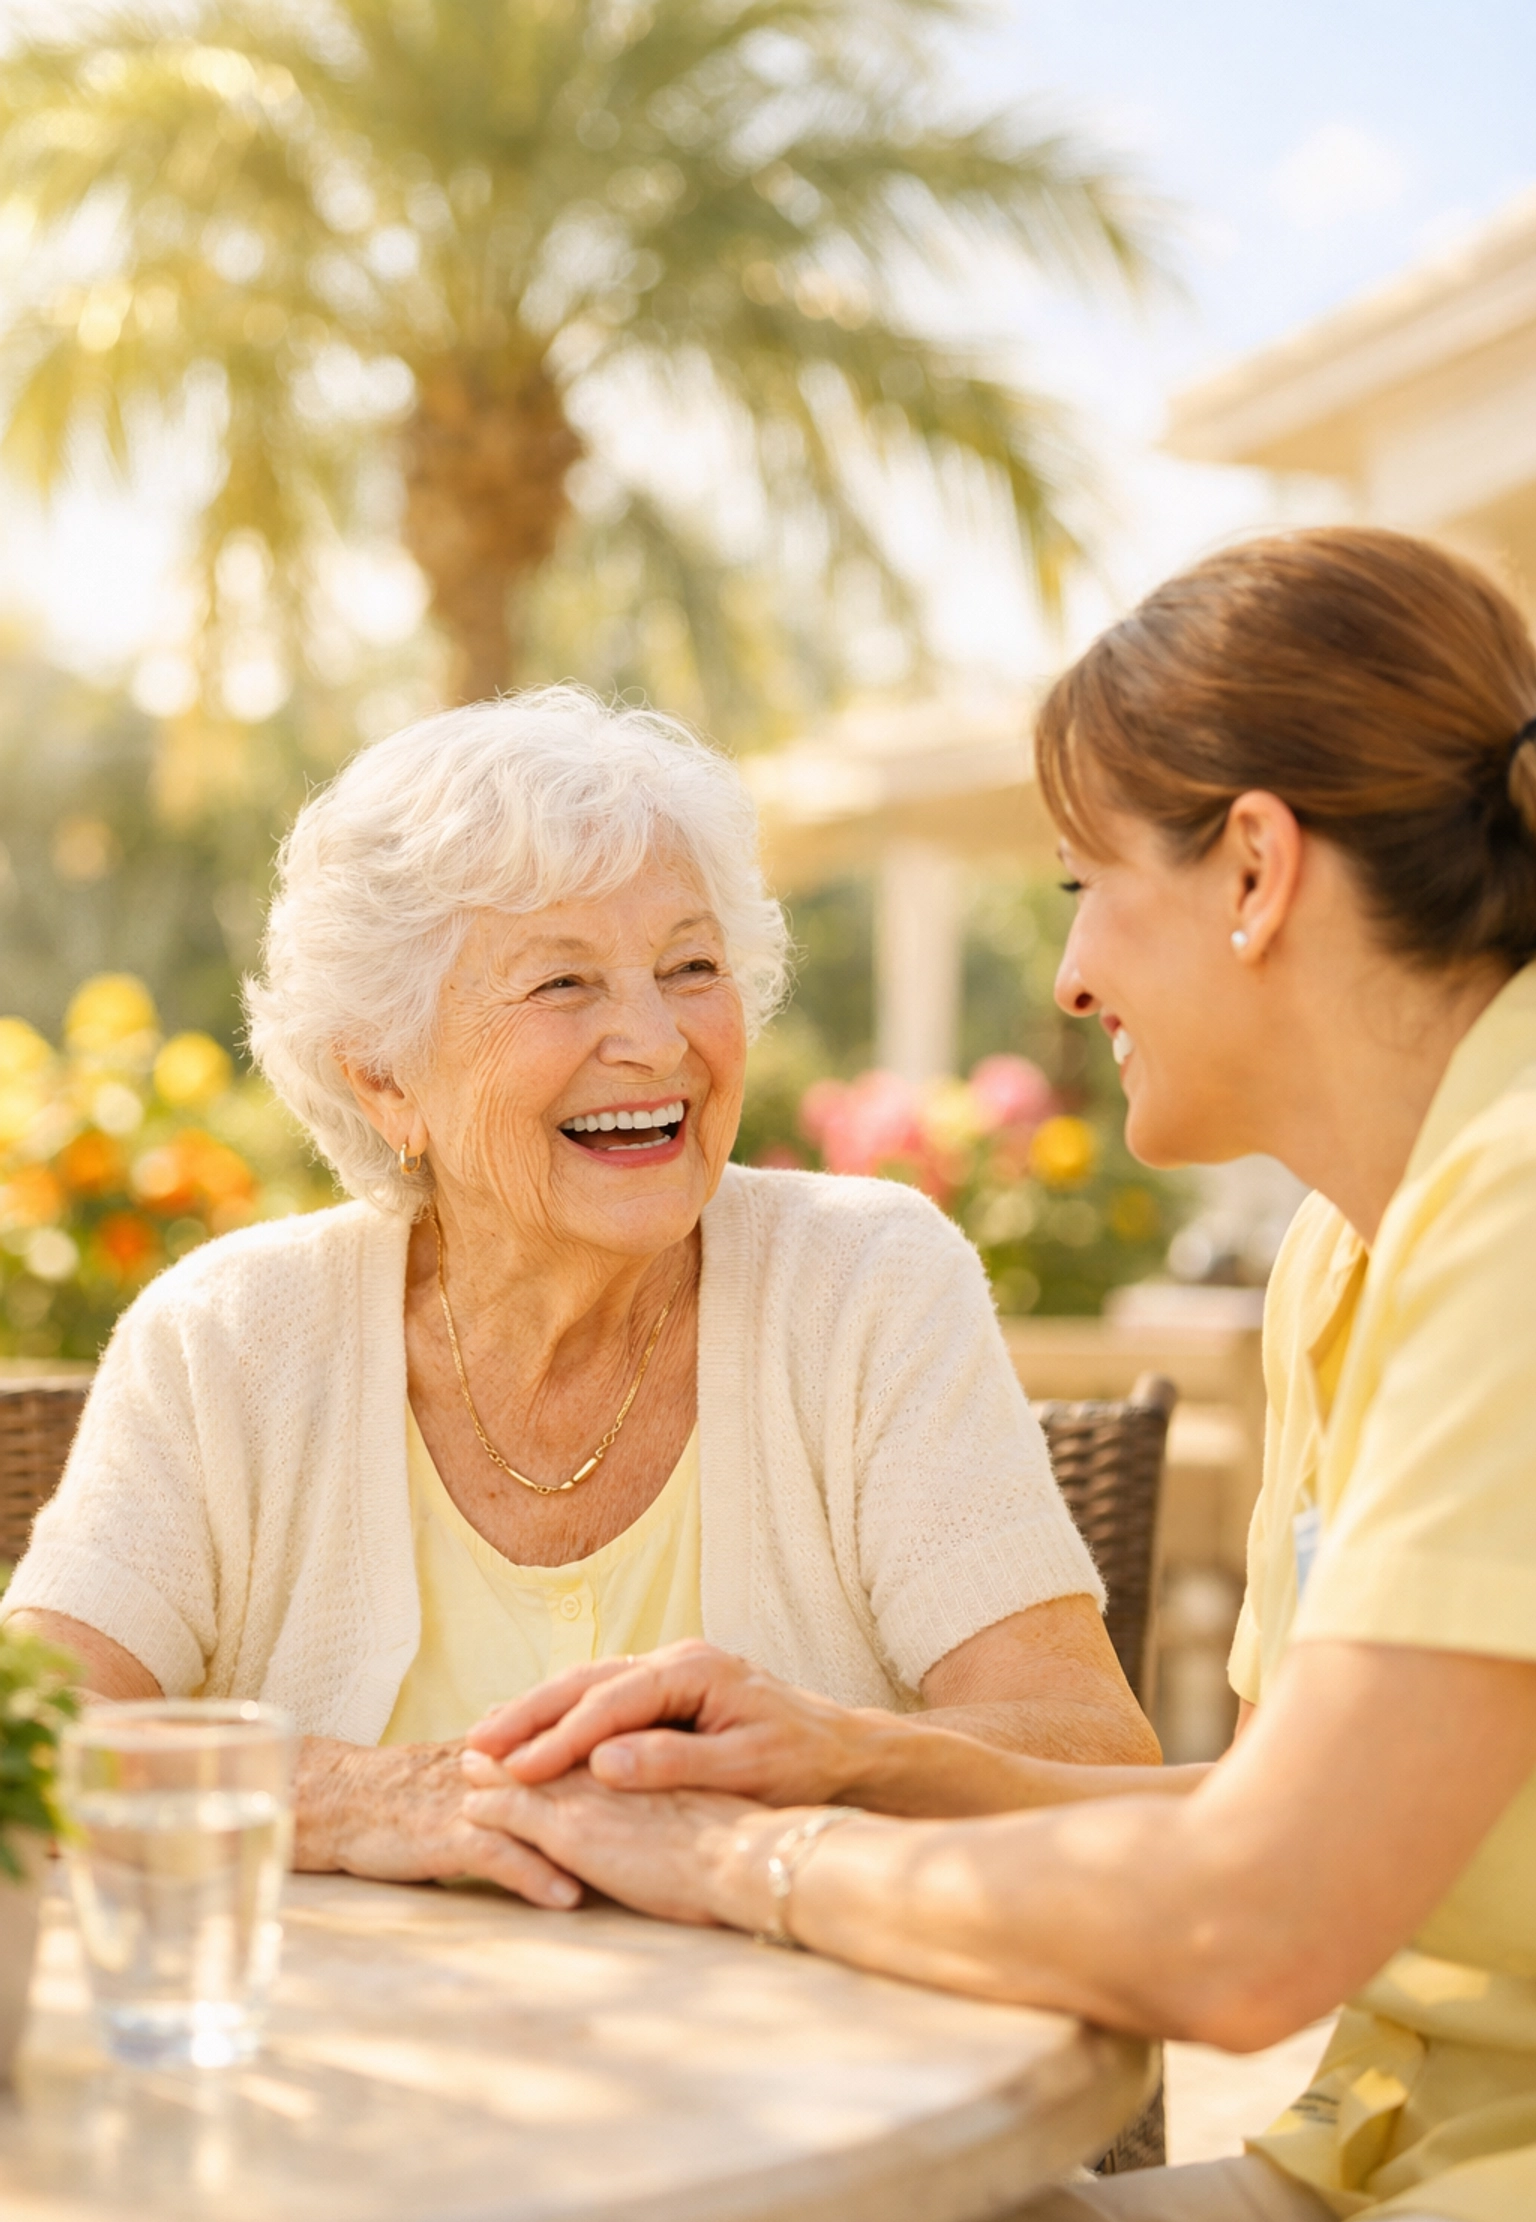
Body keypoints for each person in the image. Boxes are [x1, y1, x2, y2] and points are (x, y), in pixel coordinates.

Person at [458, 532, 1536, 2222]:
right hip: (1384, 2155)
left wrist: (753, 1856)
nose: (1072, 982)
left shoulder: (1516, 1201)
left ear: (1255, 867)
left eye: (1080, 889)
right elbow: (1283, 1805)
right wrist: (863, 1756)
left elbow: (1250, 1924)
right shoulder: (1350, 1249)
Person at [0, 688, 1154, 1900]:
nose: (656, 1042)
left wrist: (830, 1757)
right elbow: (28, 1743)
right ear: (386, 1078)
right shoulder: (226, 1340)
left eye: (690, 966)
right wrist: (344, 1793)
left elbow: (1093, 1755)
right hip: (330, 2072)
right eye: (564, 985)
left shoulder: (866, 1285)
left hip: (809, 2074)